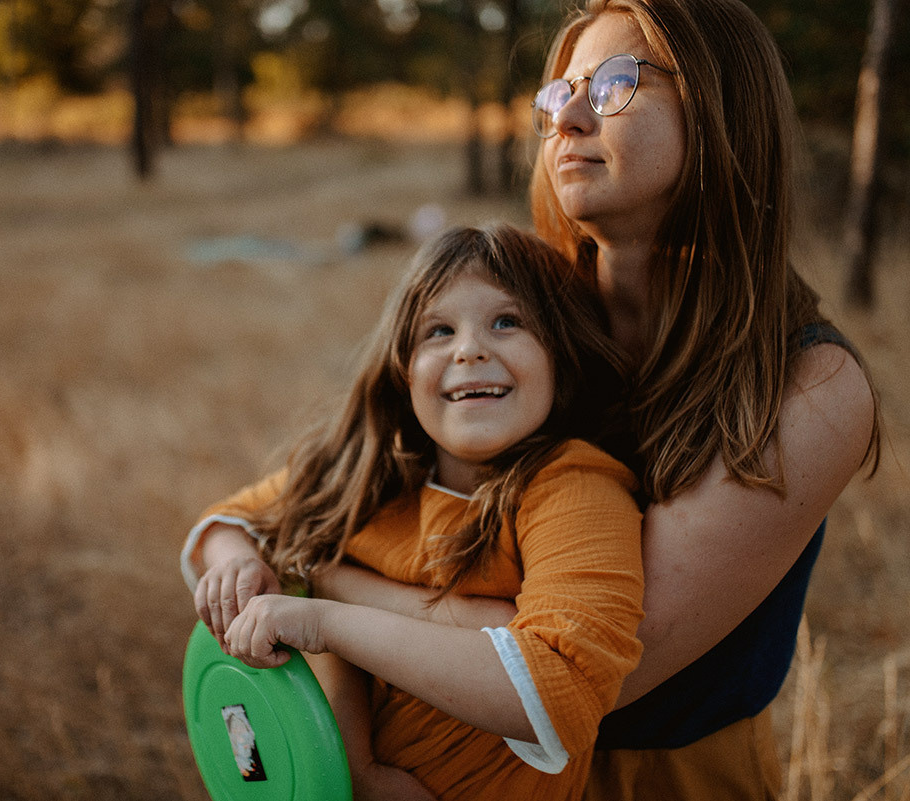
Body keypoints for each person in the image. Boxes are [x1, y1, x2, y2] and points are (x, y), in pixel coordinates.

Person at [262, 1, 882, 798]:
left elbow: (593, 666)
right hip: (438, 749)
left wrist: (326, 581)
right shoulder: (525, 325)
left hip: (662, 775)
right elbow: (321, 491)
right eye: (559, 94)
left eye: (618, 82)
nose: (569, 117)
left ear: (724, 109)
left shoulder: (810, 389)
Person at [182, 224, 647, 800]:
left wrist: (323, 616)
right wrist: (237, 563)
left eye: (507, 321)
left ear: (562, 353)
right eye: (439, 330)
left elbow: (557, 693)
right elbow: (229, 520)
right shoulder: (374, 474)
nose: (469, 348)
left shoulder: (572, 487)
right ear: (403, 371)